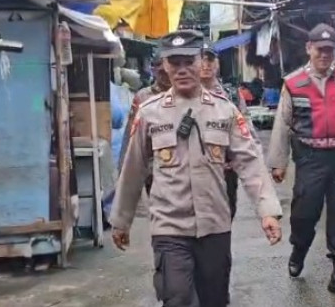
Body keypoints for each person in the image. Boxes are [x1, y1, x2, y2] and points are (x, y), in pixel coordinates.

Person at [110, 30, 283, 307]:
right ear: (164, 65)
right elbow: (133, 168)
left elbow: (250, 162)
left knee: (214, 299)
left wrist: (267, 211)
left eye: (188, 61)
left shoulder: (224, 110)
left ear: (201, 61)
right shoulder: (150, 112)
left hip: (215, 225)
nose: (181, 69)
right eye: (174, 62)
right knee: (177, 297)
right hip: (169, 227)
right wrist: (121, 220)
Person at [267, 23, 335, 300]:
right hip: (309, 158)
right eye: (320, 49)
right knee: (304, 213)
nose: (324, 55)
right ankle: (299, 250)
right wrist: (279, 162)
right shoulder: (293, 83)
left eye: (329, 50)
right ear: (309, 48)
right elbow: (282, 124)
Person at [198, 44, 260, 220]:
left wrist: (250, 159)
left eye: (210, 60)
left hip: (225, 169)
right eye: (201, 60)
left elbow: (246, 127)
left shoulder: (231, 94)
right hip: (194, 170)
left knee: (226, 214)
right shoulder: (183, 94)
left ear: (217, 64)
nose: (206, 65)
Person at [118, 53, 172, 181]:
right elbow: (131, 135)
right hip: (153, 169)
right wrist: (124, 172)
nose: (165, 76)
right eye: (161, 72)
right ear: (154, 70)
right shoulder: (143, 97)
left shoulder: (184, 94)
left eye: (167, 72)